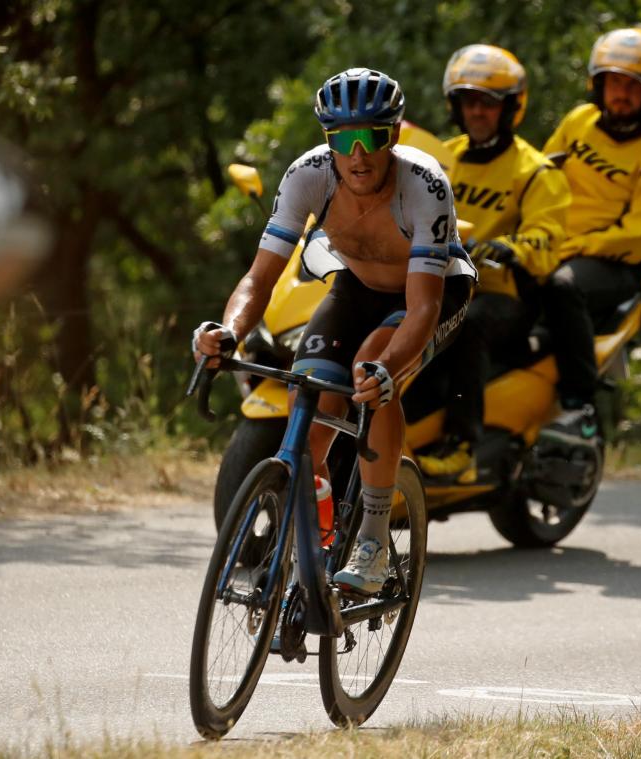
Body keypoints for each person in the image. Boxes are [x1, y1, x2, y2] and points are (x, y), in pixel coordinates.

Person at [194, 68, 475, 594]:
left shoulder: (424, 183)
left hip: (431, 294)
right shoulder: (307, 176)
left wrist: (387, 370)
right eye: (344, 139)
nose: (359, 154)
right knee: (311, 391)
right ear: (330, 141)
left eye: (372, 136)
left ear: (393, 135)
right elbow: (259, 279)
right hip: (356, 286)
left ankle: (371, 536)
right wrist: (226, 332)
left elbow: (421, 308)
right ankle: (316, 513)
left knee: (371, 366)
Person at [417, 44, 570, 483]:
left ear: (510, 109)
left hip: (504, 294)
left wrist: (509, 246)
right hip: (436, 279)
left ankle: (462, 445)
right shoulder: (439, 159)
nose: (477, 111)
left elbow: (548, 237)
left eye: (488, 102)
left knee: (467, 324)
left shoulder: (536, 171)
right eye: (469, 101)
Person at [540, 28, 641, 442]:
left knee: (560, 286)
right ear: (597, 84)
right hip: (556, 243)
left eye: (633, 85)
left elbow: (636, 239)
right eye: (614, 82)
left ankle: (579, 408)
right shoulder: (578, 122)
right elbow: (541, 177)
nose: (621, 93)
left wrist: (573, 248)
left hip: (614, 265)